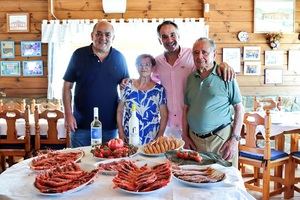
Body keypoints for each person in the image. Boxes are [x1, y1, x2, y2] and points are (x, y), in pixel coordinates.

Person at [152, 20, 235, 139]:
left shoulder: (192, 55)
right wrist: (128, 82)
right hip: (168, 127)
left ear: (179, 36)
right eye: (164, 37)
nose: (169, 40)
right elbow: (149, 83)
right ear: (160, 40)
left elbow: (209, 64)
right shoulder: (157, 62)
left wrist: (223, 64)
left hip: (192, 126)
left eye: (172, 35)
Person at [62, 21, 129, 147]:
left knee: (107, 165)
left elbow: (125, 90)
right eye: (98, 34)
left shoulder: (120, 58)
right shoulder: (78, 55)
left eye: (107, 35)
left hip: (110, 126)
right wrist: (68, 114)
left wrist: (122, 123)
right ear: (92, 35)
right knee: (80, 164)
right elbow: (67, 87)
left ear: (113, 38)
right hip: (81, 126)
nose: (103, 38)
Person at [182, 37, 244, 167]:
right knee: (198, 181)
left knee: (226, 182)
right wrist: (185, 136)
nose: (199, 56)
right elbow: (186, 109)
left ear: (214, 54)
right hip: (195, 141)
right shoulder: (190, 79)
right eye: (196, 52)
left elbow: (239, 108)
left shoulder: (226, 76)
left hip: (221, 141)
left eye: (205, 52)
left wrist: (234, 140)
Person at [117, 54, 168, 145]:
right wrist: (121, 132)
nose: (143, 67)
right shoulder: (127, 86)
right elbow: (120, 111)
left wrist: (159, 136)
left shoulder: (159, 90)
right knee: (129, 159)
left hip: (151, 138)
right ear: (136, 67)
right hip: (129, 136)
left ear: (152, 68)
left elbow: (164, 115)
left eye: (147, 65)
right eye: (140, 64)